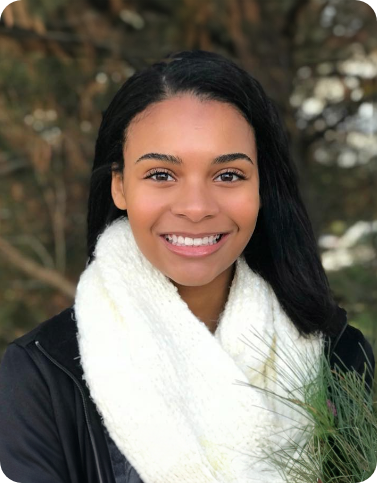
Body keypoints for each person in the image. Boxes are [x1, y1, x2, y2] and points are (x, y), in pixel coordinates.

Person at [0, 50, 374, 483]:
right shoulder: (41, 375)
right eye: (161, 174)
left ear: (261, 185)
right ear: (119, 186)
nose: (196, 208)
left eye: (228, 175)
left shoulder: (338, 357)